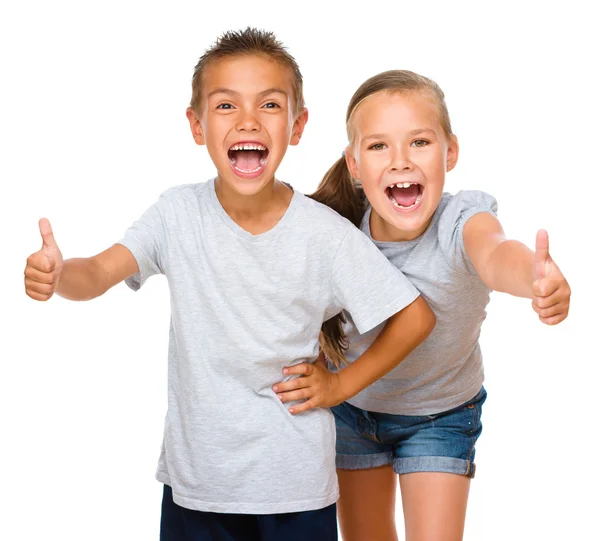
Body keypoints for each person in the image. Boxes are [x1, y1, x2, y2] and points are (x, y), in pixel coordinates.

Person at [23, 32, 435, 541]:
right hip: (198, 485)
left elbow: (414, 316)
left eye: (269, 104)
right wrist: (61, 275)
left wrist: (341, 385)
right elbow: (101, 272)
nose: (248, 120)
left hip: (295, 484)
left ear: (297, 124)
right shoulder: (177, 215)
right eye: (225, 105)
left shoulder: (323, 234)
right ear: (197, 125)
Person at [276, 69, 571, 541]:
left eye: (419, 143)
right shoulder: (340, 231)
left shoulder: (461, 220)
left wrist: (533, 279)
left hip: (440, 413)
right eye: (378, 147)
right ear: (354, 165)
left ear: (449, 152)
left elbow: (495, 253)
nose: (399, 162)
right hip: (354, 410)